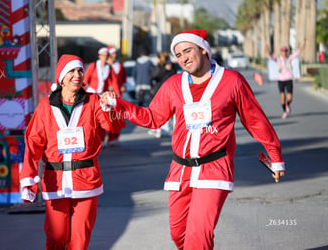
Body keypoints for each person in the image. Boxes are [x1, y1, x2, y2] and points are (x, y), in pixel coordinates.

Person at [101, 29, 285, 250]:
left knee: (198, 237)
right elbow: (152, 118)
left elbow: (255, 120)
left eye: (188, 51)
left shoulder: (232, 81)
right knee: (180, 235)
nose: (183, 58)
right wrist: (117, 104)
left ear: (203, 49)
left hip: (215, 167)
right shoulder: (173, 84)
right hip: (180, 170)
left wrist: (275, 156)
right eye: (178, 54)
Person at [19, 54, 126, 250]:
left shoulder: (93, 101)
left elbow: (114, 126)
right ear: (61, 77)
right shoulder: (45, 106)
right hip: (55, 180)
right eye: (72, 71)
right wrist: (29, 178)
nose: (77, 75)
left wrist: (111, 107)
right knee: (56, 237)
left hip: (86, 180)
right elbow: (33, 142)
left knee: (79, 241)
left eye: (80, 71)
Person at [266, 40, 307, 119]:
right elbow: (269, 56)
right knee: (282, 97)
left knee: (289, 98)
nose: (284, 53)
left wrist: (304, 43)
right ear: (281, 52)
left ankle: (287, 104)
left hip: (288, 79)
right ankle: (285, 111)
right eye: (283, 51)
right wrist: (267, 47)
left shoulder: (289, 58)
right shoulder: (278, 59)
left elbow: (298, 51)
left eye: (285, 51)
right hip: (281, 80)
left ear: (287, 52)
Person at [148, 51, 177, 138]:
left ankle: (164, 129)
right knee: (163, 111)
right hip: (162, 91)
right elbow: (153, 76)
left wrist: (162, 68)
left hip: (165, 91)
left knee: (165, 111)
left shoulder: (166, 67)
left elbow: (154, 76)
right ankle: (161, 128)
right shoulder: (163, 66)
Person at [106, 46, 127, 145]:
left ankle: (115, 138)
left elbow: (124, 78)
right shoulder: (105, 66)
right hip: (108, 93)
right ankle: (107, 138)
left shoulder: (120, 65)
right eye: (112, 54)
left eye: (115, 53)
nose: (114, 55)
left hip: (118, 93)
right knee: (108, 117)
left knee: (118, 116)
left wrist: (123, 85)